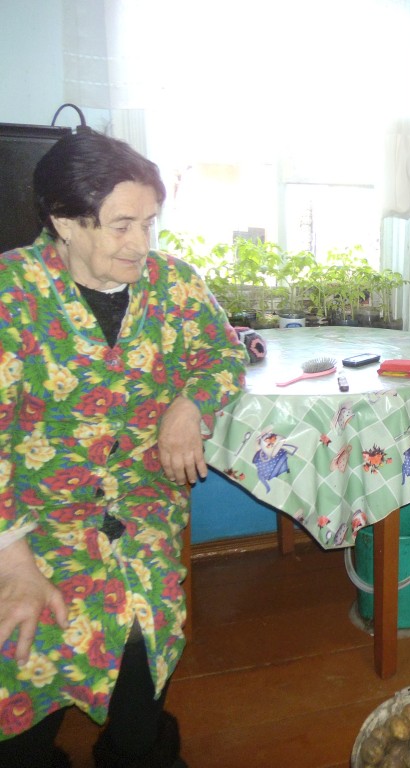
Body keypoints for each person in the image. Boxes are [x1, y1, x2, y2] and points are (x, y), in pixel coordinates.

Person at [0, 129, 248, 767]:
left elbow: (223, 354)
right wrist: (14, 561)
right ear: (64, 223)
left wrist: (189, 404)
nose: (141, 244)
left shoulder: (173, 285)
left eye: (149, 223)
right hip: (31, 524)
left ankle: (137, 748)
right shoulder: (12, 293)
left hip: (140, 510)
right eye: (121, 226)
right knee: (22, 658)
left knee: (143, 651)